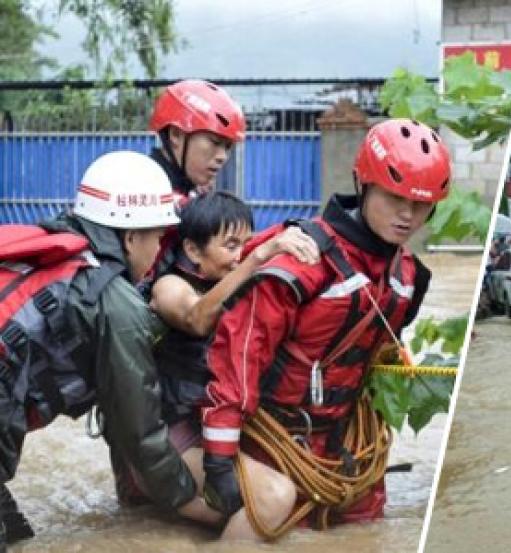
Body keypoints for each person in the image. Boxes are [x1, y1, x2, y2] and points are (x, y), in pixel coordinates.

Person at [199, 119, 447, 536]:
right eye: (394, 197)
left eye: (420, 206)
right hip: (272, 441)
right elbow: (237, 357)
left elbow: (380, 363)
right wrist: (219, 460)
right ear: (363, 184)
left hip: (344, 450)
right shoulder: (302, 259)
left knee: (368, 532)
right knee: (270, 521)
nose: (407, 215)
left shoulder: (409, 278)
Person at [0, 152, 204, 545]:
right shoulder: (116, 304)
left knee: (18, 534)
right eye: (158, 237)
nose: (160, 250)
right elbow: (138, 429)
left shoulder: (58, 250)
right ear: (130, 237)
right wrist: (184, 495)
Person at [118, 192, 320, 539]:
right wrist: (258, 257)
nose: (239, 254)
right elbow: (196, 318)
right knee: (275, 498)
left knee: (300, 499)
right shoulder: (168, 286)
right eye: (229, 245)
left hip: (210, 435)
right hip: (165, 444)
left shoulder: (238, 282)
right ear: (193, 250)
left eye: (245, 243)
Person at [148, 80, 246, 199]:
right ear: (176, 134)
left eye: (228, 147)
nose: (222, 157)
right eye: (215, 142)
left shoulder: (188, 195)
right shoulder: (143, 194)